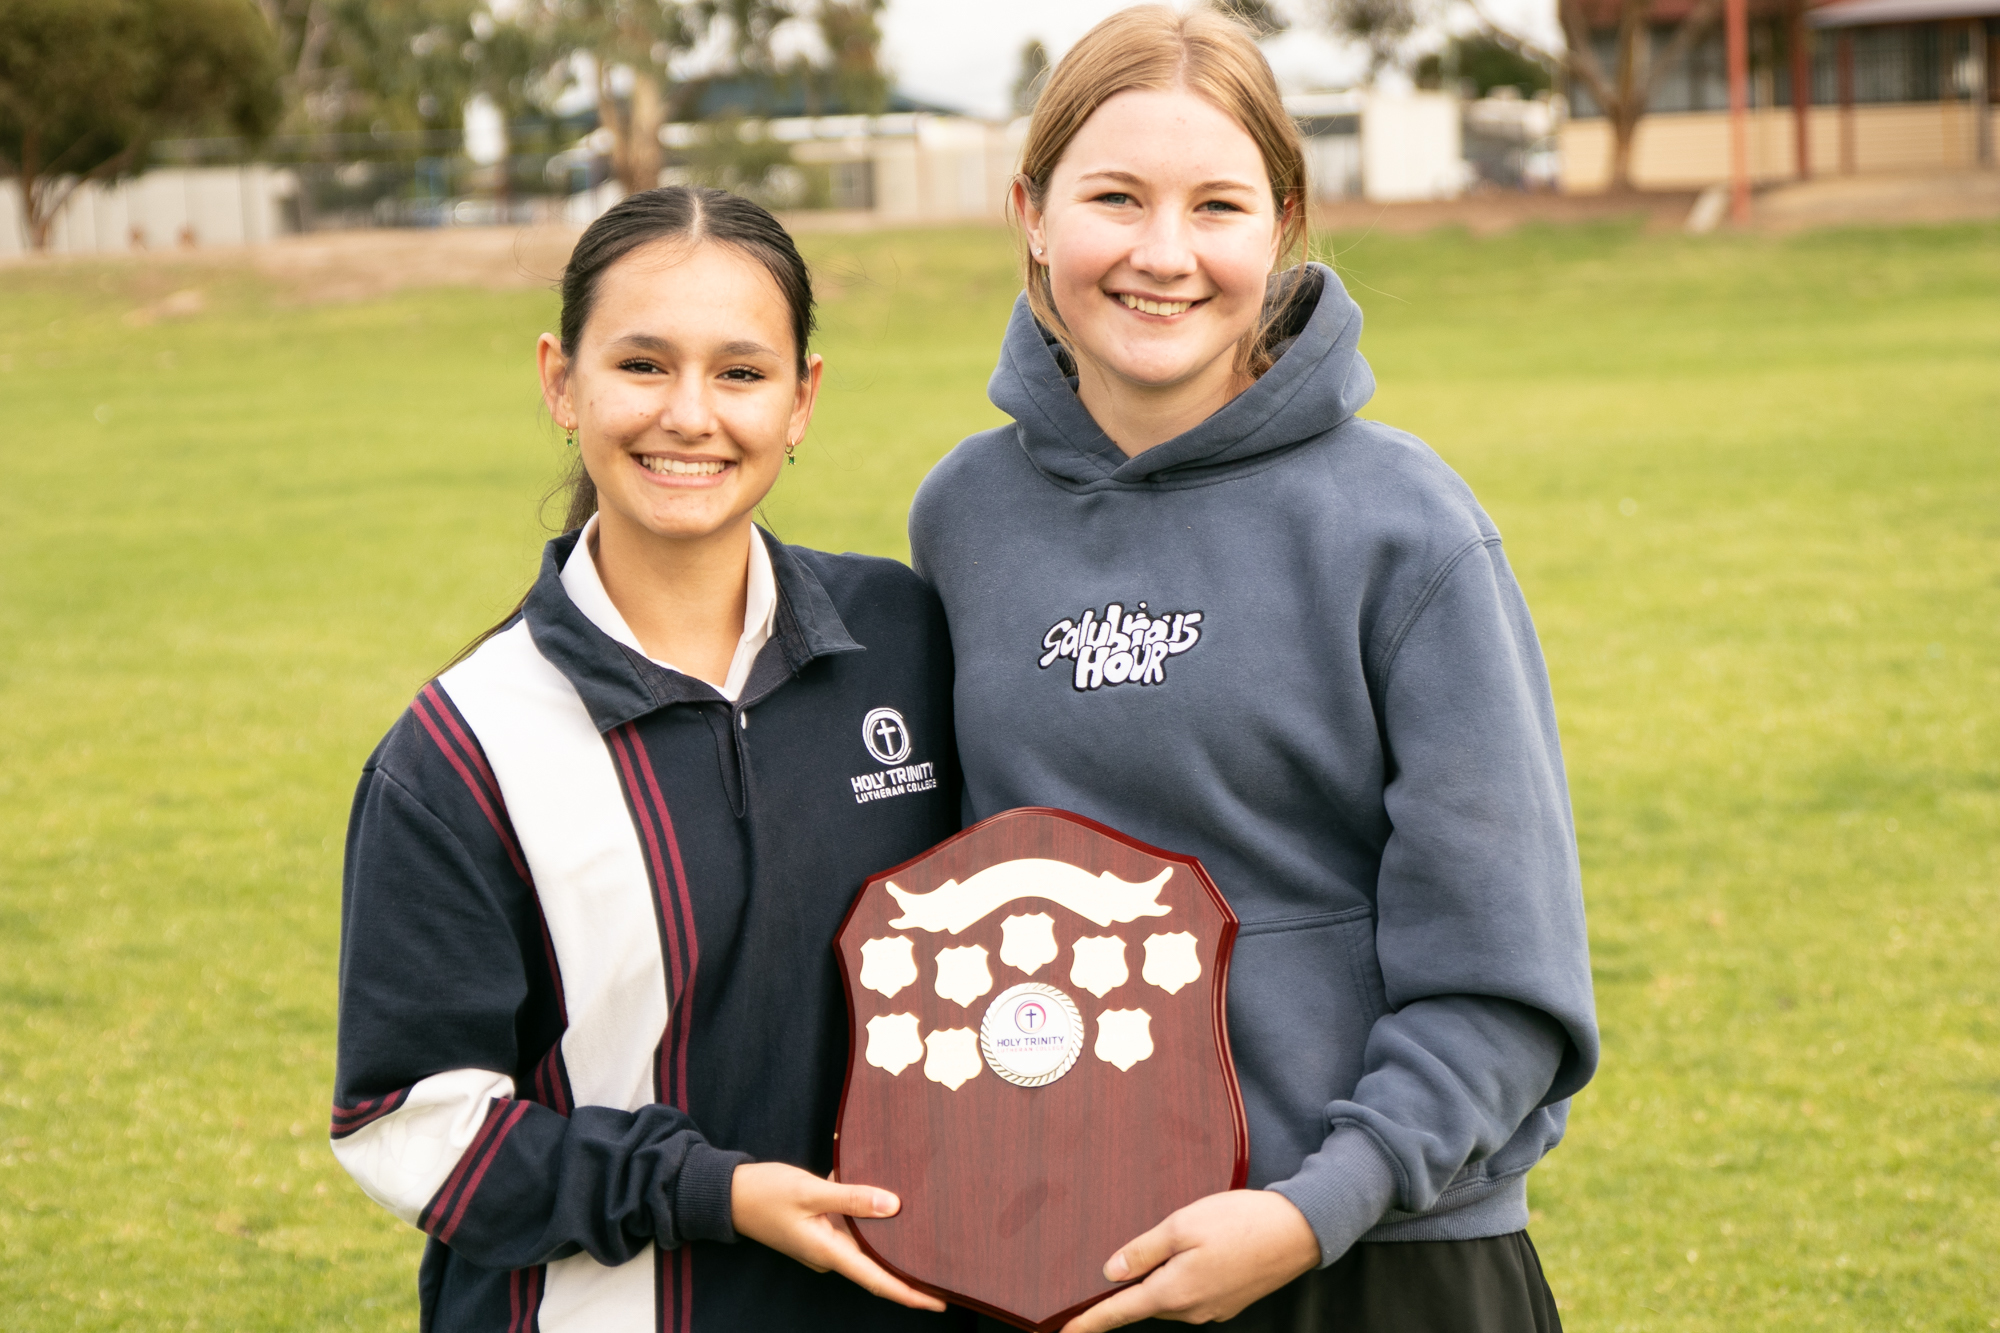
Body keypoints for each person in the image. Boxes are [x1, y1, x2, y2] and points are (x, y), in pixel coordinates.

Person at [908, 9, 1598, 1332]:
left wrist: (1312, 1205)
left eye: (1216, 205)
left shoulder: (1406, 526)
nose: (1163, 253)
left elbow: (1506, 978)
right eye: (1115, 197)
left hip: (1379, 1252)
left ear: (1280, 225)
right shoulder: (963, 520)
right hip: (1071, 1257)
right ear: (1032, 214)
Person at [331, 187, 964, 1332]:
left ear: (802, 398)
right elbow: (408, 1126)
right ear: (560, 381)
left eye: (740, 371)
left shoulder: (904, 643)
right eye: (640, 364)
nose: (688, 414)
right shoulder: (462, 750)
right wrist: (706, 1191)